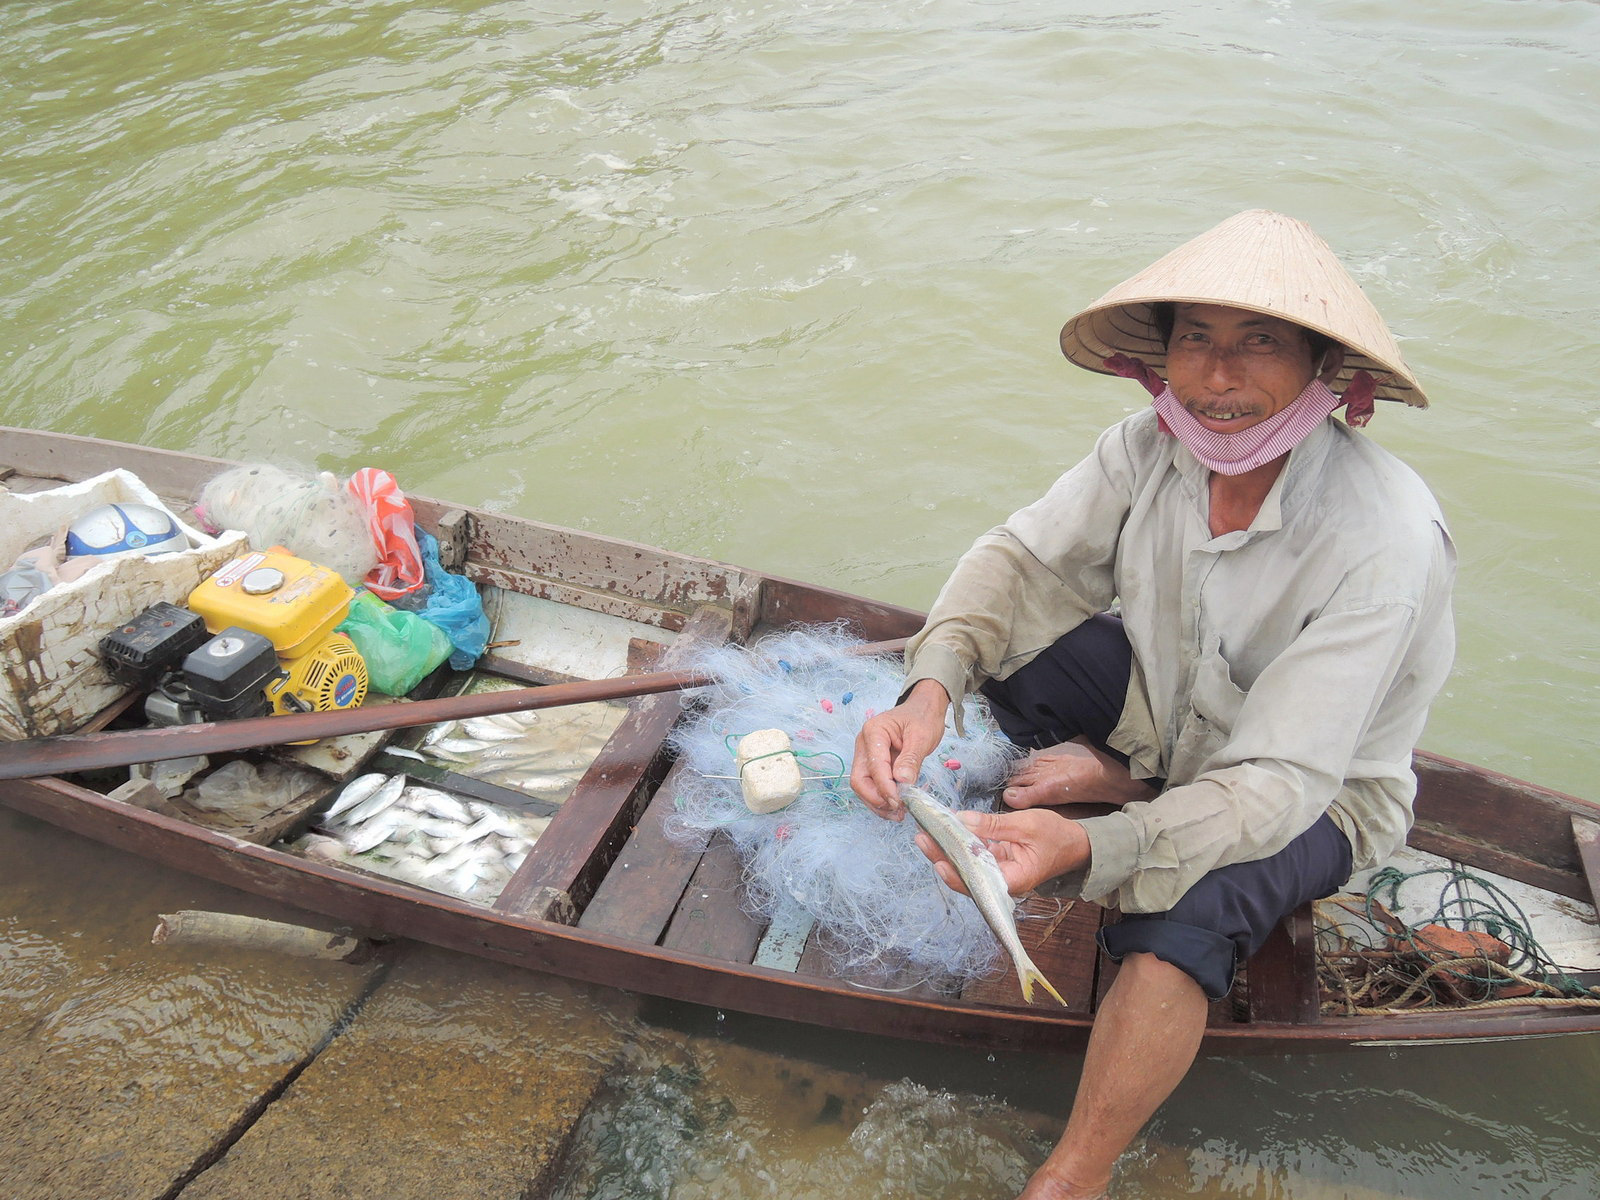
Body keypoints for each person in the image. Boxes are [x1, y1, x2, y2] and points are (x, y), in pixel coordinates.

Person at [849, 210, 1455, 1200]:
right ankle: (1127, 774)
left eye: (1258, 343)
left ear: (1322, 372)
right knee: (1006, 659)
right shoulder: (1147, 449)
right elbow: (1021, 563)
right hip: (1173, 716)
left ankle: (1072, 1177)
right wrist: (924, 692)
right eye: (1195, 340)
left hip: (1316, 793)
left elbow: (1272, 784)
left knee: (1181, 915)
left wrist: (1089, 846)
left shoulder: (1381, 540)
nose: (1219, 379)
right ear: (1159, 359)